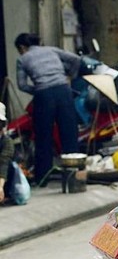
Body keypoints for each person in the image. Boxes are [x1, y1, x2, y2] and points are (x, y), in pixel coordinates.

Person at [14, 33, 81, 186]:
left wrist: (37, 90)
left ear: (22, 47)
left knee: (43, 136)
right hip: (64, 91)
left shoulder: (23, 59)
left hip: (44, 96)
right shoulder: (52, 50)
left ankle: (43, 178)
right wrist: (70, 76)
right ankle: (73, 176)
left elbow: (22, 85)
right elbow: (76, 59)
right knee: (69, 133)